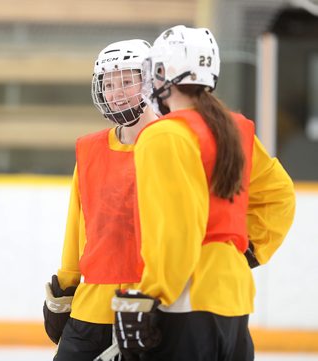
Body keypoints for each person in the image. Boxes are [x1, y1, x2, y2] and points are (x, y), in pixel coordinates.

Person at [110, 25, 296, 361]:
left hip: (185, 303)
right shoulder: (235, 128)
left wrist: (148, 293)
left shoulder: (163, 136)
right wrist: (248, 250)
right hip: (233, 298)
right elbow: (279, 195)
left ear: (164, 72)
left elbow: (177, 229)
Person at [43, 39, 157, 361]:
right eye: (108, 83)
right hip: (90, 310)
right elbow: (77, 227)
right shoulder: (90, 150)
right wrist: (65, 287)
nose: (116, 91)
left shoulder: (172, 145)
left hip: (147, 310)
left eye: (126, 81)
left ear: (148, 81)